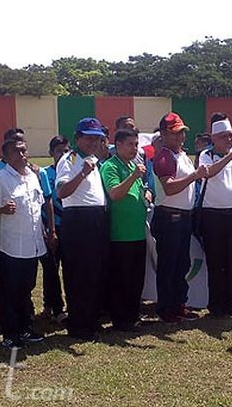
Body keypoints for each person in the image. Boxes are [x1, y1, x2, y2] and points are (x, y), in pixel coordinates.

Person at [0, 139, 47, 349]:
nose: (22, 155)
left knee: (26, 289)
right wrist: (2, 209)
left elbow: (37, 207)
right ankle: (10, 334)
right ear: (6, 156)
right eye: (16, 152)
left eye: (24, 150)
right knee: (9, 292)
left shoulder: (33, 176)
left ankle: (25, 328)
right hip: (11, 246)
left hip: (32, 244)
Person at [56, 118, 110, 340]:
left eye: (97, 138)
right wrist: (82, 173)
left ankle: (92, 319)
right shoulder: (70, 160)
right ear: (78, 138)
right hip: (78, 220)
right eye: (88, 138)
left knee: (95, 272)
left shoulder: (94, 160)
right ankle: (79, 324)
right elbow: (61, 192)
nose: (93, 142)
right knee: (79, 274)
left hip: (97, 218)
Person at [151, 112, 207, 322]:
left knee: (181, 263)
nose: (180, 137)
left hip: (183, 216)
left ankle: (178, 303)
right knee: (169, 264)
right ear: (164, 134)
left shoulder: (180, 154)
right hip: (169, 216)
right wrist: (195, 175)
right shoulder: (164, 157)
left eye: (182, 133)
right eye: (176, 134)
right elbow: (169, 187)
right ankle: (166, 308)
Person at [100, 128, 150, 331]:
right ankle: (120, 319)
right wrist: (133, 176)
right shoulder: (110, 166)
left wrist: (146, 194)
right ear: (117, 145)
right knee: (122, 278)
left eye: (136, 144)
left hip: (138, 231)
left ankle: (132, 315)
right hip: (121, 234)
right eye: (130, 144)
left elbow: (138, 189)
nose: (134, 148)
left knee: (136, 278)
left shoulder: (133, 165)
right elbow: (114, 194)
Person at [198, 119, 232, 317]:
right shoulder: (206, 155)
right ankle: (216, 303)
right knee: (216, 261)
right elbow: (209, 173)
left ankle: (230, 301)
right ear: (213, 139)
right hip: (212, 215)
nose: (229, 140)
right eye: (223, 137)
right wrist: (229, 157)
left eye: (230, 135)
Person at [0, 127, 26, 332]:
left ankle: (22, 319)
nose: (21, 153)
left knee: (22, 281)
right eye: (15, 145)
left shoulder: (30, 173)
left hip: (25, 237)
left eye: (22, 146)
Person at [39, 135, 70, 323]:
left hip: (70, 228)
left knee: (69, 269)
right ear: (51, 153)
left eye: (67, 151)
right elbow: (45, 202)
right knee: (51, 268)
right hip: (52, 228)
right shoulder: (45, 173)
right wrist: (50, 230)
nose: (63, 155)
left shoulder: (72, 171)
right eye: (59, 151)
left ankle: (65, 304)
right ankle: (54, 307)